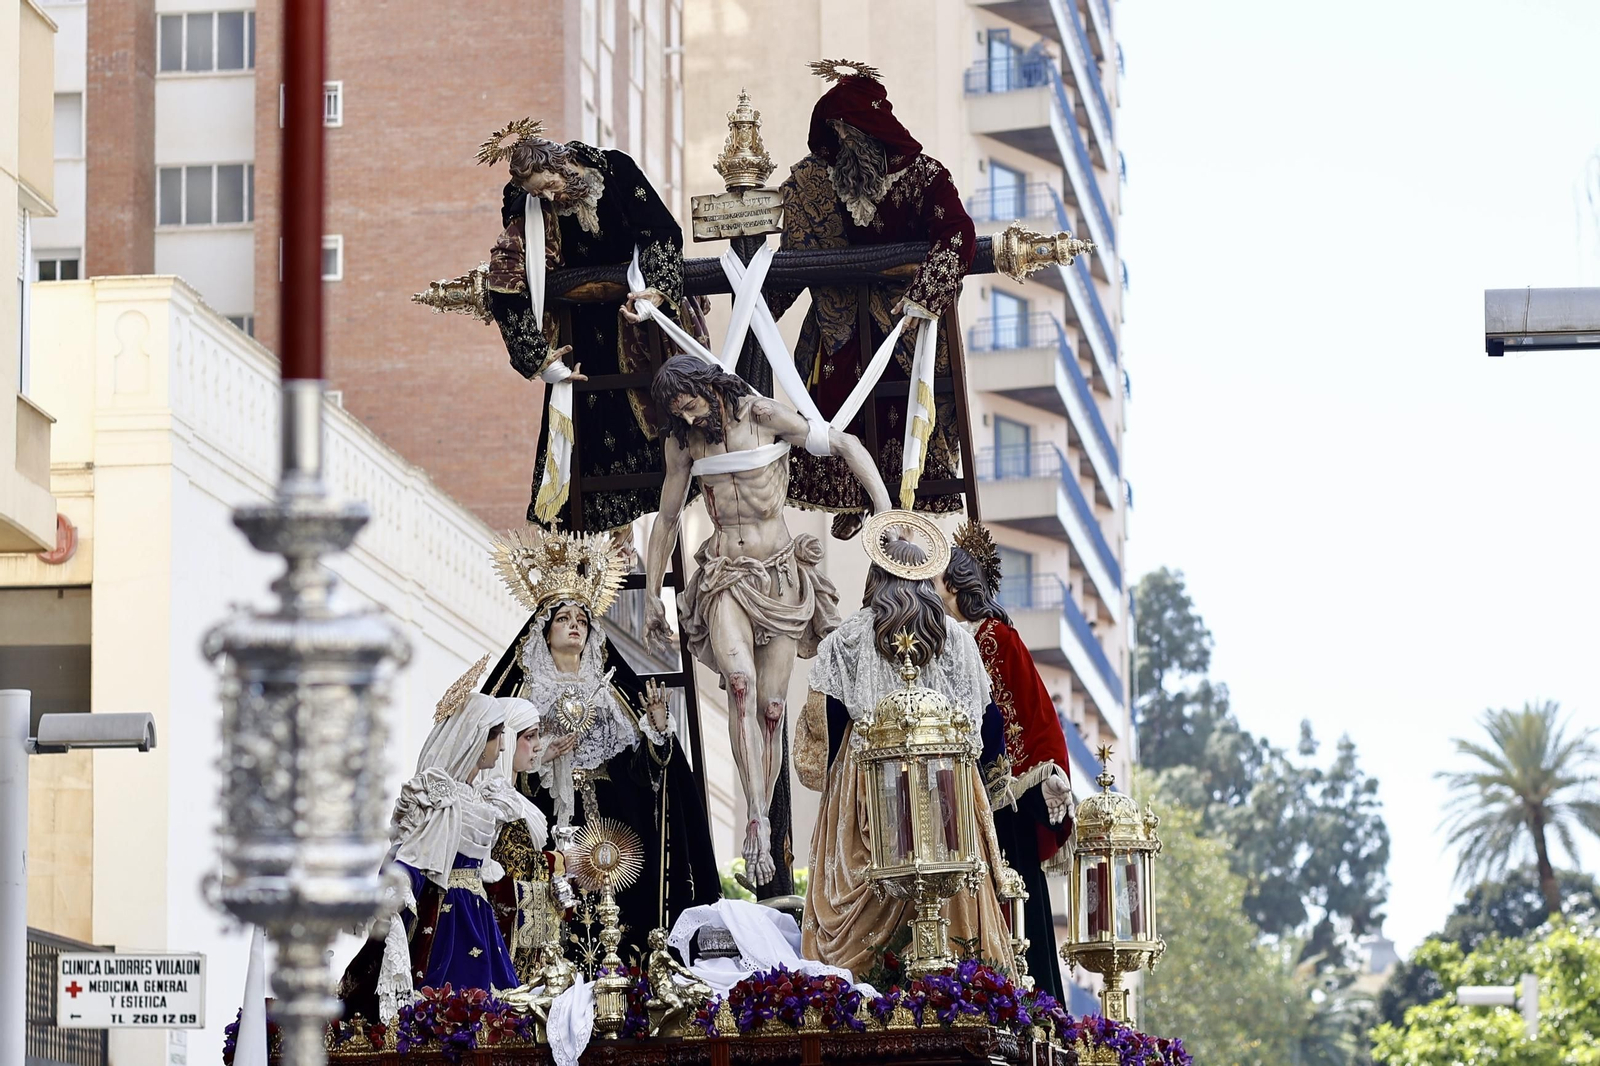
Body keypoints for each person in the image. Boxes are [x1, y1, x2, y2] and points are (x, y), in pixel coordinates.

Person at [642, 355, 892, 888]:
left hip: (779, 575)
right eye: (675, 414)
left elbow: (843, 443)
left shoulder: (762, 415)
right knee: (739, 686)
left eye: (688, 406)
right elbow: (666, 518)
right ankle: (756, 814)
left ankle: (760, 804)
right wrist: (649, 596)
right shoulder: (684, 444)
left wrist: (886, 513)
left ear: (707, 388)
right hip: (725, 575)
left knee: (772, 709)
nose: (685, 420)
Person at [482, 525, 720, 972]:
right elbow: (489, 766)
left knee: (627, 915)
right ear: (543, 630)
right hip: (549, 825)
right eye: (563, 619)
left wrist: (656, 735)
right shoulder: (522, 696)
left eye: (582, 620)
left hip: (614, 824)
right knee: (549, 921)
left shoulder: (612, 692)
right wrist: (537, 761)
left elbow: (646, 774)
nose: (574, 626)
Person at [794, 512, 1016, 978]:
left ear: (875, 576)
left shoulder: (847, 639)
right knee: (959, 914)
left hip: (869, 791)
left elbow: (822, 731)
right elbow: (988, 727)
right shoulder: (956, 640)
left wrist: (837, 767)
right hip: (945, 790)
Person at [766, 61, 976, 538]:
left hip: (905, 323)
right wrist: (754, 311)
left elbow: (958, 233)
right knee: (836, 389)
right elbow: (796, 257)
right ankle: (852, 489)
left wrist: (925, 296)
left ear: (858, 131)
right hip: (838, 323)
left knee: (900, 402)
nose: (832, 149)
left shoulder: (924, 178)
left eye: (838, 137)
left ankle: (887, 493)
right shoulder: (815, 183)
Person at [479, 119, 687, 532]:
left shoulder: (616, 171)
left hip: (634, 318)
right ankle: (606, 537)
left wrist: (657, 290)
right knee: (587, 434)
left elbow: (660, 232)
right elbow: (505, 280)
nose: (547, 197)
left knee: (657, 419)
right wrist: (538, 357)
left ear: (562, 164)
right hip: (577, 331)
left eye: (548, 185)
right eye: (537, 193)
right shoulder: (529, 207)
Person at [337, 659, 547, 1023]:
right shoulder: (440, 796)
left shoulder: (476, 797)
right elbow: (414, 852)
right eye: (497, 737)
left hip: (476, 912)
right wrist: (397, 886)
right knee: (451, 1006)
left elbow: (486, 869)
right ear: (476, 738)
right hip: (447, 913)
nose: (500, 749)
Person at [940, 522, 1074, 1001]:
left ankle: (1030, 1001)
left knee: (1014, 901)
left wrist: (1025, 777)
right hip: (957, 798)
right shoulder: (947, 643)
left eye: (937, 581)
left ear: (953, 585)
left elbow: (1029, 714)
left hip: (1001, 801)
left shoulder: (995, 638)